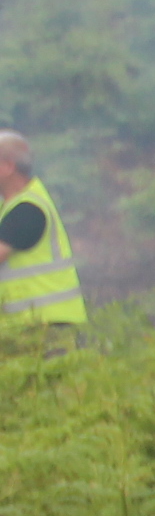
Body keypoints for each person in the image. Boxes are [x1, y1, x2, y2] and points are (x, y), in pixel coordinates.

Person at [0, 132, 88, 351]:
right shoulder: (13, 207)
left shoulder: (28, 209)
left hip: (48, 327)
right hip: (31, 326)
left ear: (8, 167)